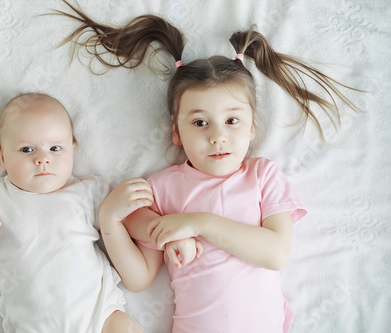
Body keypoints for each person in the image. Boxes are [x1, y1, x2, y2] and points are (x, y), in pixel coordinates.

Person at [55, 2, 361, 333]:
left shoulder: (261, 176)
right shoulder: (161, 188)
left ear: (252, 127)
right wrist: (110, 220)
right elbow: (138, 278)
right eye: (200, 122)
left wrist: (197, 223)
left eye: (232, 120)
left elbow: (275, 253)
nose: (217, 136)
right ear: (176, 131)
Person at [0, 93, 147, 333]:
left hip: (99, 314)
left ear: (72, 150)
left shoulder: (88, 191)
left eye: (55, 148)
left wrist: (162, 232)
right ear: (2, 158)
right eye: (27, 149)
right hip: (32, 324)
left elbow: (131, 216)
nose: (43, 159)